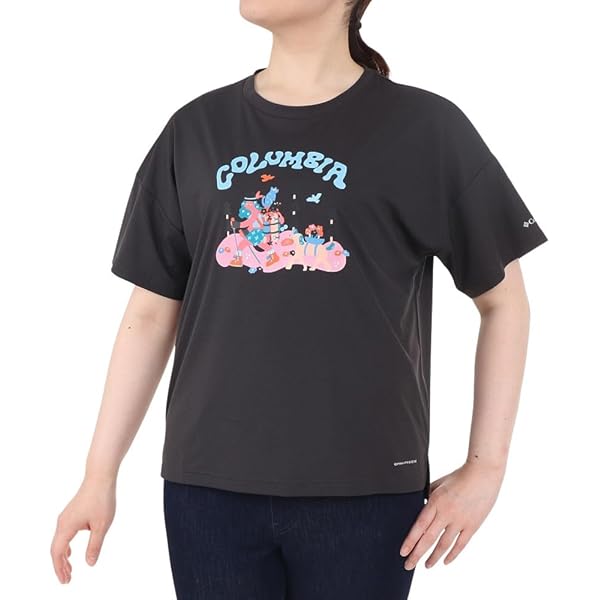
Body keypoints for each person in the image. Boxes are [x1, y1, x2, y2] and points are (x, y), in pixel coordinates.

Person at [50, 1, 548, 598]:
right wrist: (98, 475)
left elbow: (504, 302)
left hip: (367, 489)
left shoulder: (424, 128)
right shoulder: (195, 128)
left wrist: (486, 469)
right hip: (207, 488)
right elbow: (151, 313)